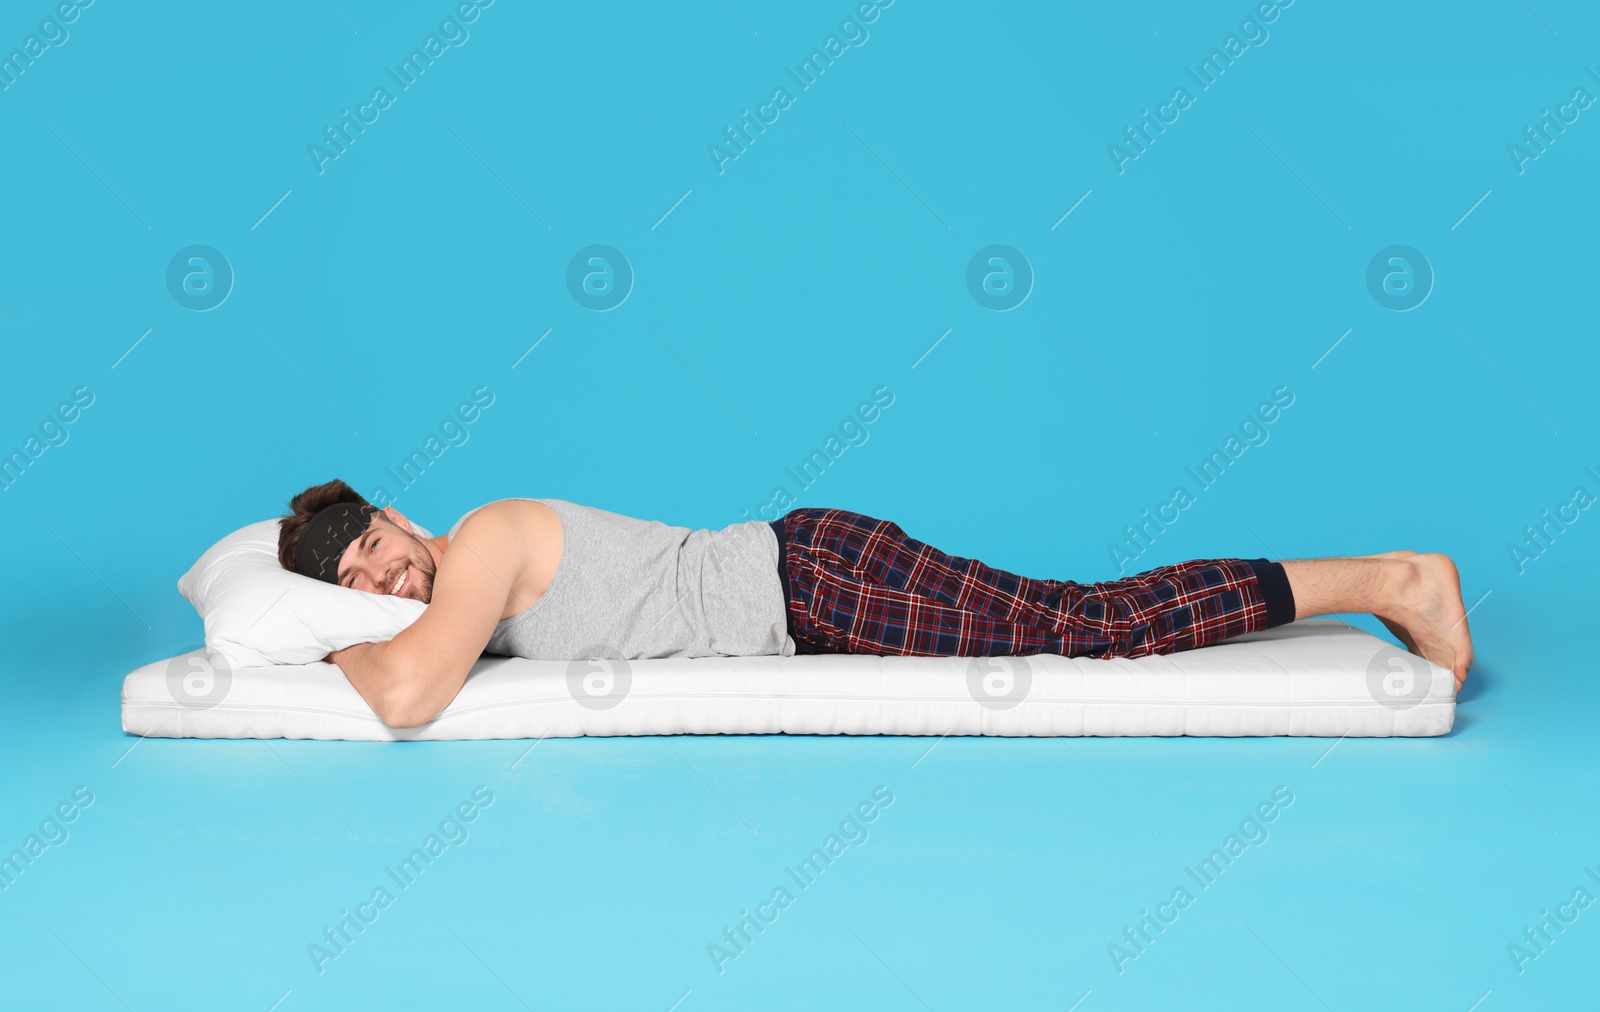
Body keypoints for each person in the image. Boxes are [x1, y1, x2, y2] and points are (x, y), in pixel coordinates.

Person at [276, 479, 1473, 729]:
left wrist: (335, 652)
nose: (386, 582)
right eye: (359, 587)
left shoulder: (480, 535)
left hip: (813, 580)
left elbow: (414, 691)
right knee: (1080, 617)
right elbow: (416, 656)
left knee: (1090, 626)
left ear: (409, 520)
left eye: (379, 548)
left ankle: (1391, 578)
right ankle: (1378, 579)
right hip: (813, 581)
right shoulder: (442, 586)